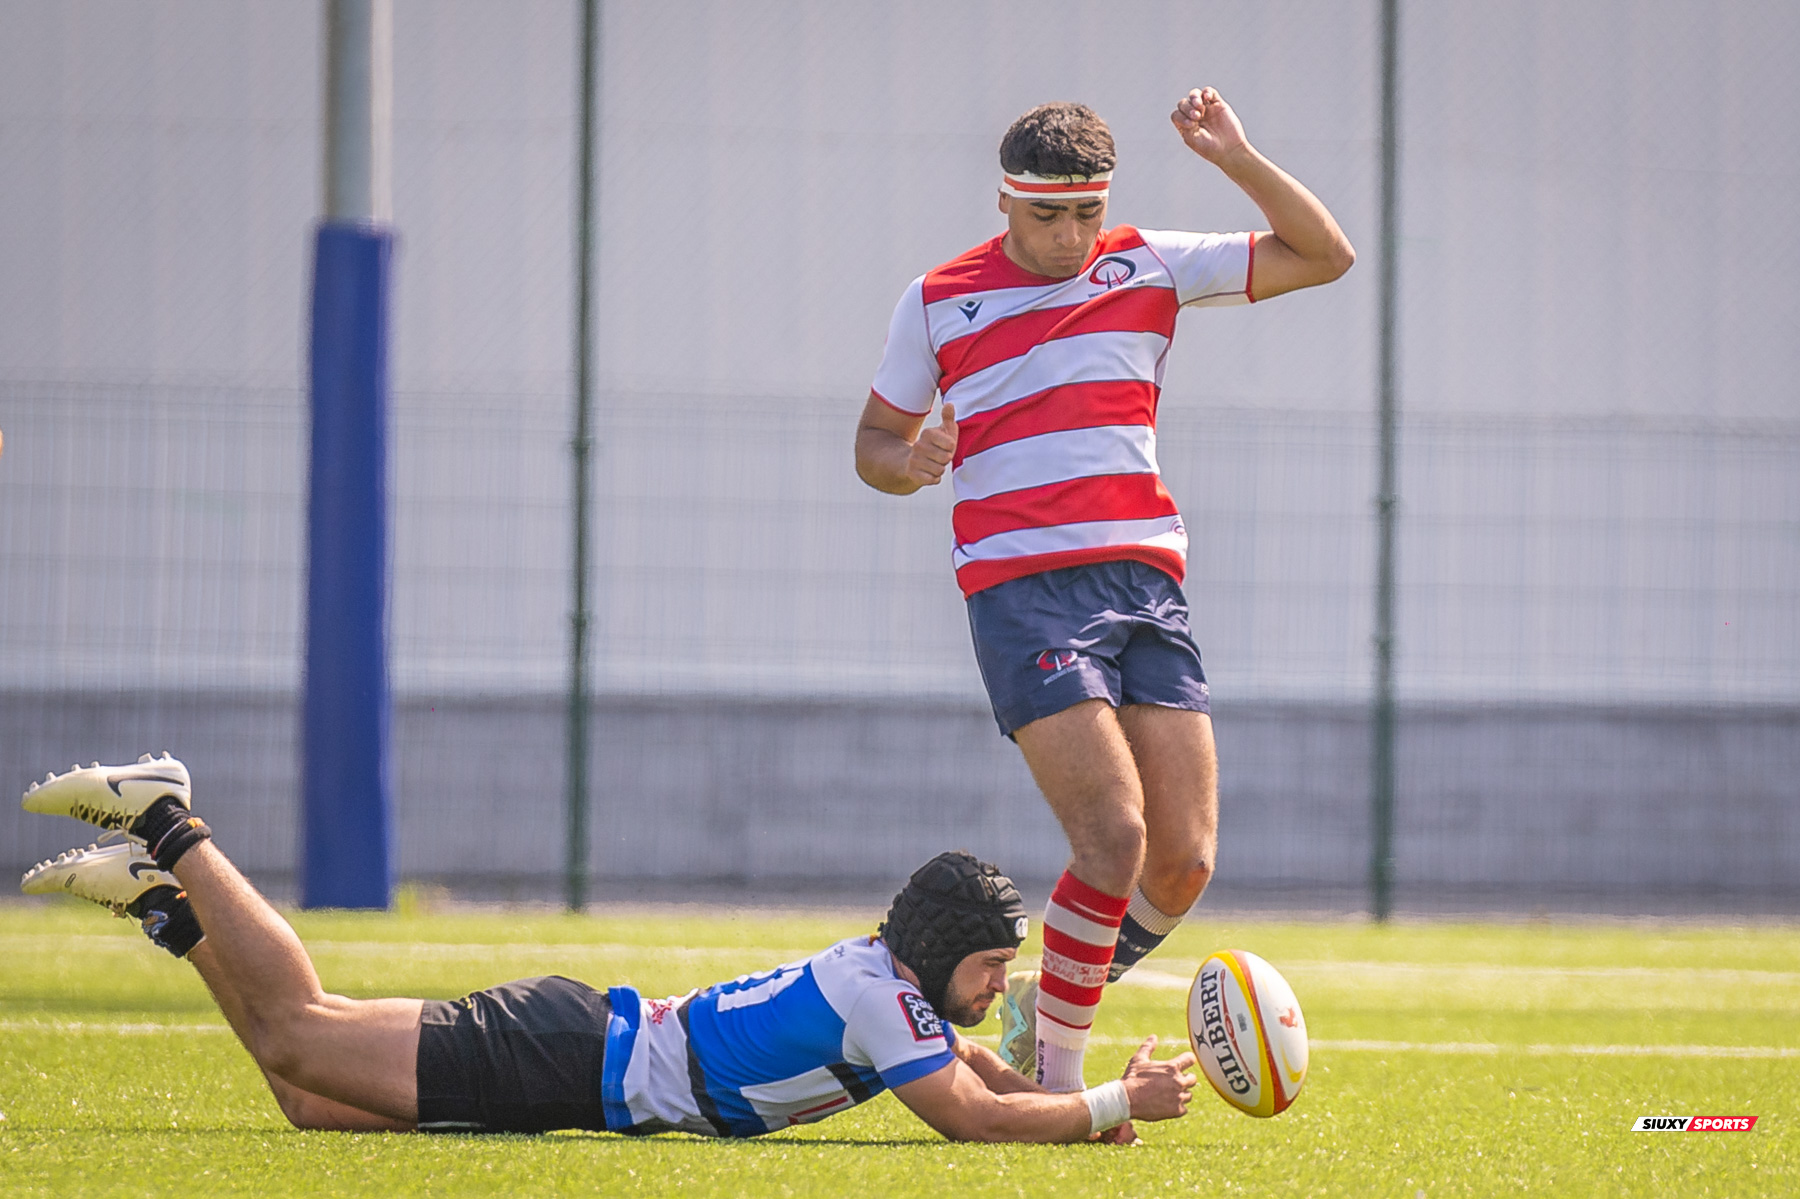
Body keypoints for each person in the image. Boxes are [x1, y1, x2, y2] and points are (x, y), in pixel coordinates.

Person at [853, 89, 1354, 1092]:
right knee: (1113, 836)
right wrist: (915, 463)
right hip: (1024, 587)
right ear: (1006, 204)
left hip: (1145, 585)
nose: (1070, 236)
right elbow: (874, 444)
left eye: (1087, 212)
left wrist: (1238, 157)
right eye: (1048, 215)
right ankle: (1059, 1091)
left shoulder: (1150, 262)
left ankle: (1050, 1004)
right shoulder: (939, 298)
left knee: (1181, 863)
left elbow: (1326, 253)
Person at [20, 755, 1196, 1142]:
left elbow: (986, 1076)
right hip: (570, 1052)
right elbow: (968, 1114)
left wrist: (1095, 1098)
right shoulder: (883, 997)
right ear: (942, 952)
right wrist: (1102, 1103)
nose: (1004, 981)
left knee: (306, 1097)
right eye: (994, 962)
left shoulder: (889, 985)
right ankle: (171, 817)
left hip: (581, 1056)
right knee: (304, 1033)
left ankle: (170, 909)